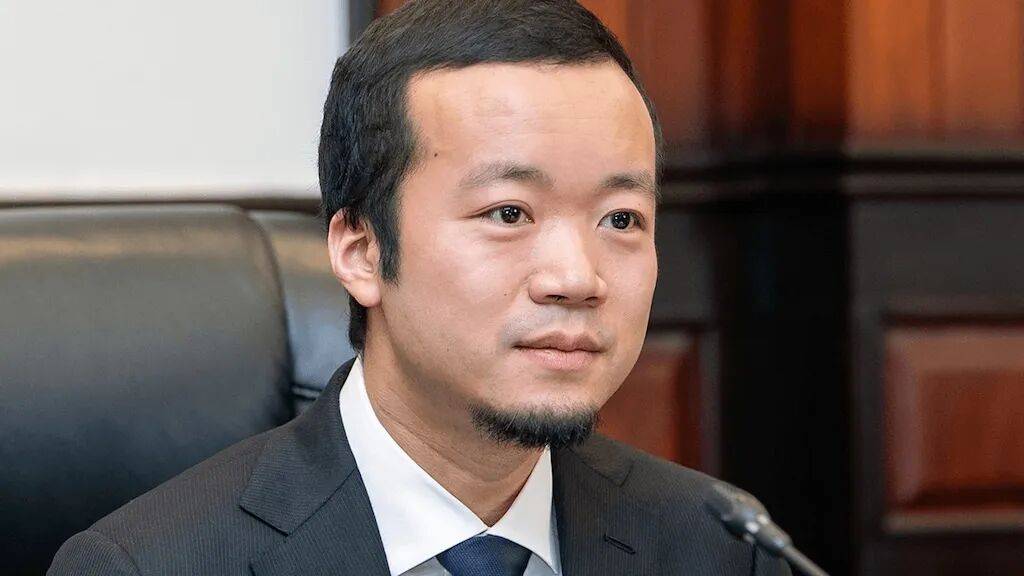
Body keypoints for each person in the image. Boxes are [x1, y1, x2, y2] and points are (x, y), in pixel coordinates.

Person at [49, 1, 790, 574]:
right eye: (509, 213)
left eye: (621, 218)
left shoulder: (723, 548)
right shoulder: (147, 565)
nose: (576, 278)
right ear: (362, 251)